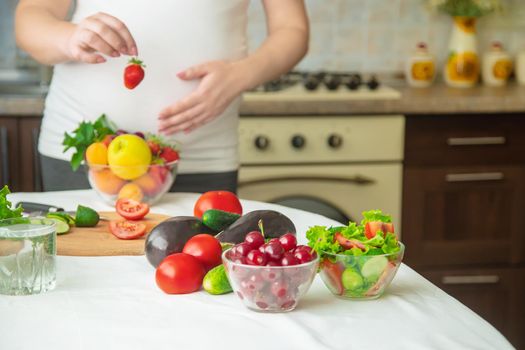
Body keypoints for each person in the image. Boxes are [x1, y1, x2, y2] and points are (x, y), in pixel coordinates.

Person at [15, 0, 308, 193]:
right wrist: (68, 37)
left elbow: (292, 29)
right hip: (87, 158)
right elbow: (31, 16)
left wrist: (241, 75)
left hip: (202, 157)